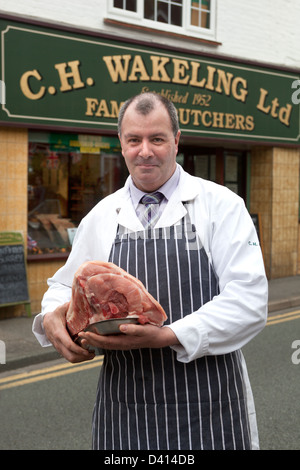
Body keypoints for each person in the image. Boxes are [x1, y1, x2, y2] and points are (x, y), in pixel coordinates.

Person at [32, 92, 268, 450]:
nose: (145, 151)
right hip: (126, 407)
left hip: (210, 402)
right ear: (121, 145)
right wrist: (51, 316)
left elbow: (249, 300)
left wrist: (168, 335)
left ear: (176, 141)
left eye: (156, 139)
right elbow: (65, 285)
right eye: (134, 140)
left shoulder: (221, 206)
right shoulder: (101, 215)